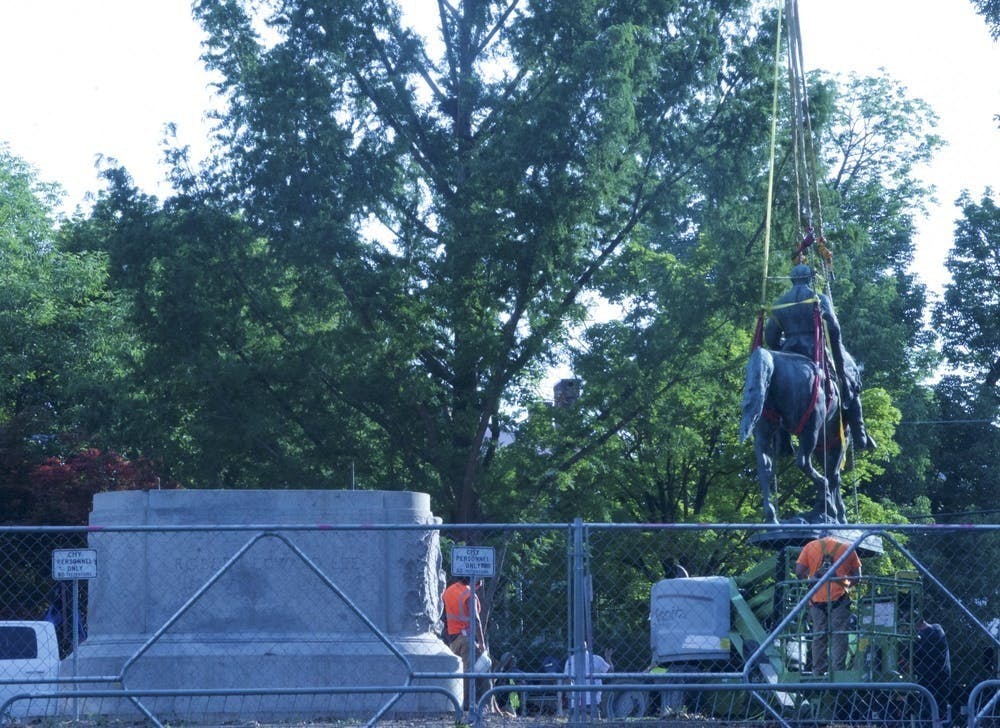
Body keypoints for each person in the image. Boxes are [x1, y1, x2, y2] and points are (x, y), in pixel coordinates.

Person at [764, 263, 875, 451]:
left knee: (775, 388)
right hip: (816, 350)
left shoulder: (779, 303)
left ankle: (782, 439)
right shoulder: (819, 298)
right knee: (849, 379)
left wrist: (782, 348)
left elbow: (770, 336)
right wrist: (837, 353)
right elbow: (834, 328)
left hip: (789, 352)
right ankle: (860, 434)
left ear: (792, 280)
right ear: (810, 279)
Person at [795, 534, 862, 674]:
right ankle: (838, 671)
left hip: (816, 599)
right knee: (839, 635)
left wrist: (814, 576)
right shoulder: (847, 548)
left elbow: (799, 572)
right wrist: (843, 579)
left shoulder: (810, 546)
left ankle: (818, 671)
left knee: (819, 635)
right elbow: (857, 577)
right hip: (839, 598)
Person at [441, 576, 487, 709]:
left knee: (457, 672)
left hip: (452, 639)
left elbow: (445, 616)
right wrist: (482, 643)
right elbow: (476, 620)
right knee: (469, 672)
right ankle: (466, 703)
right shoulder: (469, 594)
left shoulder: (449, 591)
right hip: (466, 639)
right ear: (476, 582)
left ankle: (455, 701)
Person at [913, 616, 952, 727]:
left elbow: (919, 659)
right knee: (939, 713)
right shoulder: (936, 629)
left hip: (932, 681)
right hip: (939, 681)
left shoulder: (931, 635)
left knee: (929, 714)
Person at [563, 643, 613, 718]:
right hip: (593, 700)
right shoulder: (596, 658)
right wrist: (608, 658)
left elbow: (567, 680)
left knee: (576, 723)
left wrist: (570, 693)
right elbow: (610, 672)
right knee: (594, 723)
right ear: (587, 647)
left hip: (576, 701)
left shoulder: (571, 660)